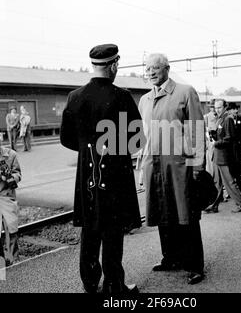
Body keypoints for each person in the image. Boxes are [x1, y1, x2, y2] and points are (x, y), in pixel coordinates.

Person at [60, 44, 142, 294]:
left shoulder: (75, 97)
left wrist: (89, 150)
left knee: (90, 227)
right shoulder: (122, 96)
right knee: (113, 231)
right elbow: (137, 141)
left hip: (87, 174)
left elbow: (66, 138)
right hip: (115, 174)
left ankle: (89, 283)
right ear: (114, 65)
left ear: (93, 65)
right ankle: (114, 285)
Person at [138, 53, 206, 285]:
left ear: (167, 68)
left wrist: (197, 166)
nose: (150, 72)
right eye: (147, 69)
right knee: (162, 213)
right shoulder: (145, 100)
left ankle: (195, 265)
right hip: (153, 165)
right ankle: (170, 258)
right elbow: (143, 137)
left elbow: (196, 130)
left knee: (185, 215)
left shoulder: (185, 92)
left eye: (155, 68)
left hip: (179, 166)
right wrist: (141, 167)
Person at [205, 99, 241, 214]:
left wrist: (216, 143)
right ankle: (214, 205)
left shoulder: (227, 119)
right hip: (218, 155)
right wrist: (212, 134)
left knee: (229, 182)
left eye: (219, 107)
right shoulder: (220, 119)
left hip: (224, 156)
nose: (217, 110)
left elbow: (230, 138)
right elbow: (221, 134)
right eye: (215, 107)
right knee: (218, 183)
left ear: (225, 107)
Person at [0, 132, 21, 267]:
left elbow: (18, 174)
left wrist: (8, 178)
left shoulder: (10, 154)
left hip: (6, 196)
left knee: (11, 228)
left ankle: (14, 263)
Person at [204, 99, 217, 176]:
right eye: (212, 107)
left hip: (219, 144)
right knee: (210, 166)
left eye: (215, 107)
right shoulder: (206, 117)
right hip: (210, 144)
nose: (214, 109)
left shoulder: (221, 117)